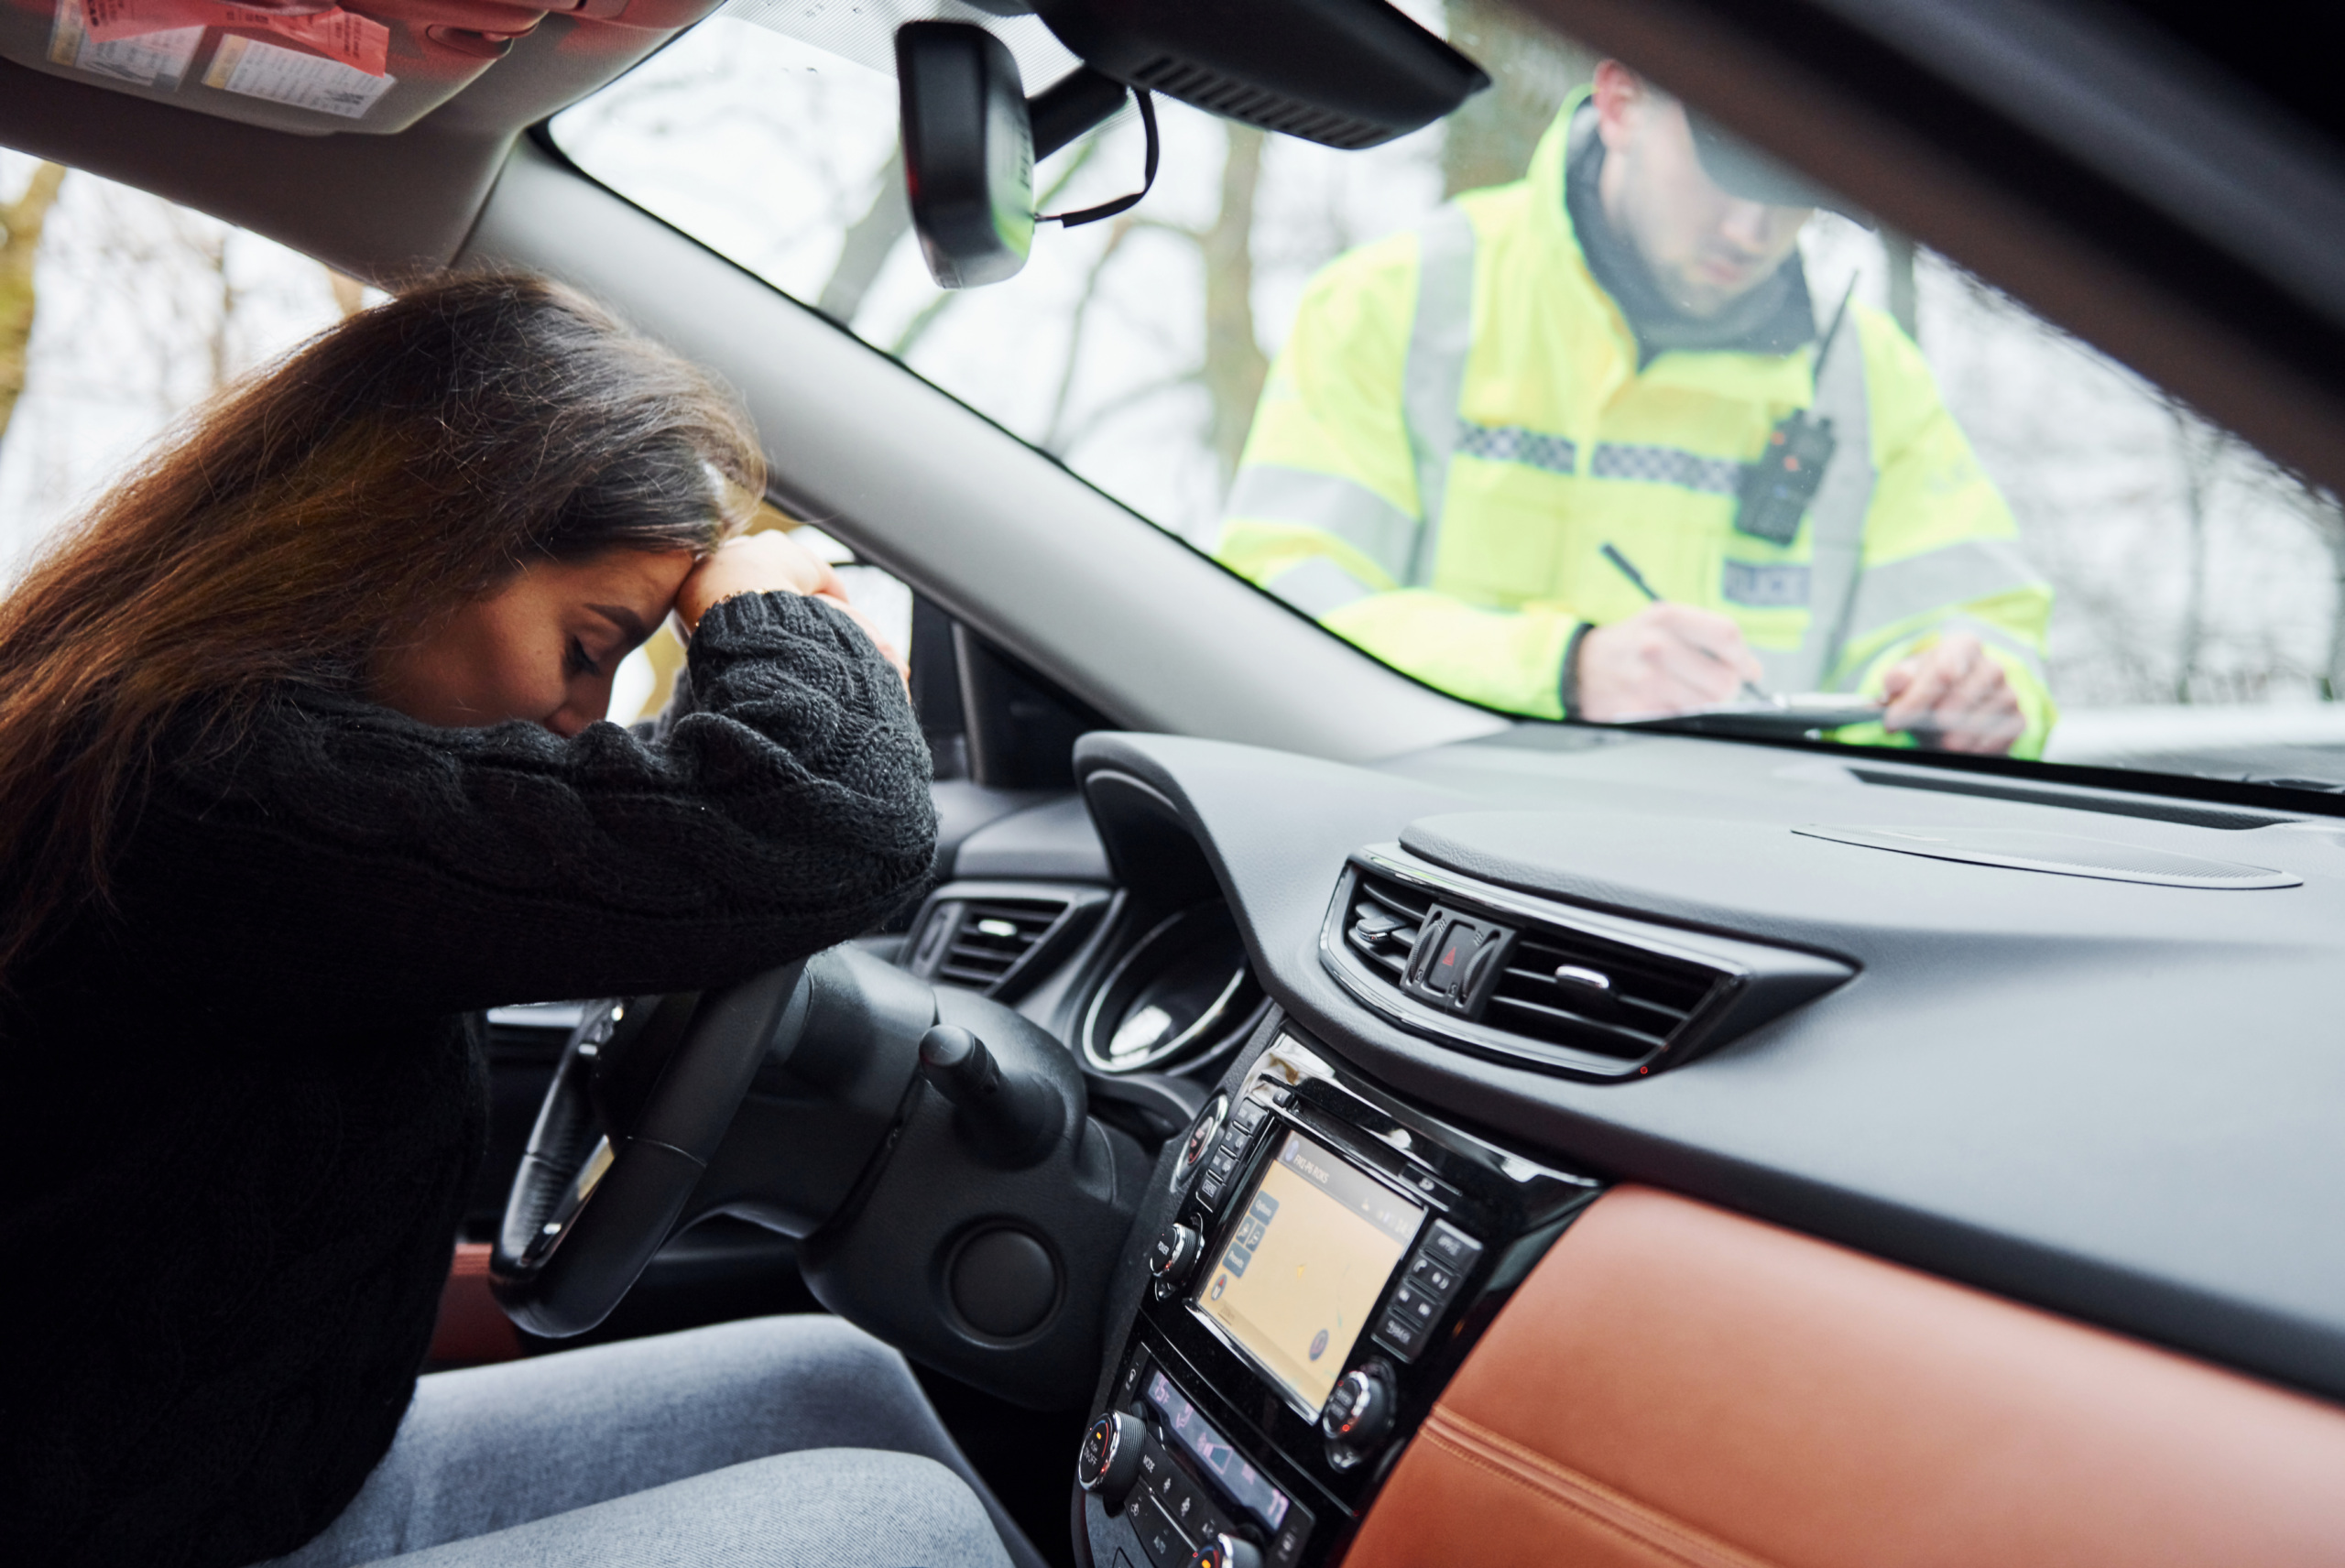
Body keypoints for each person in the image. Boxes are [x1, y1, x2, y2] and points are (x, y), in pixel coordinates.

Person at [0, 274, 1023, 1568]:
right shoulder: (214, 780)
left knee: (833, 1386)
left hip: (256, 1493)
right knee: (898, 1529)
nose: (584, 721)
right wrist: (770, 607)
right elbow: (816, 823)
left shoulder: (228, 746)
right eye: (589, 646)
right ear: (427, 536)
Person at [1218, 60, 2055, 757]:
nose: (1751, 228)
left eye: (1795, 194)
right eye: (1727, 174)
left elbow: (1985, 633)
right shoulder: (1392, 304)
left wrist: (1979, 695)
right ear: (1621, 101)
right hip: (1428, 867)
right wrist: (1563, 669)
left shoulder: (1872, 382)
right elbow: (1279, 611)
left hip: (1751, 895)